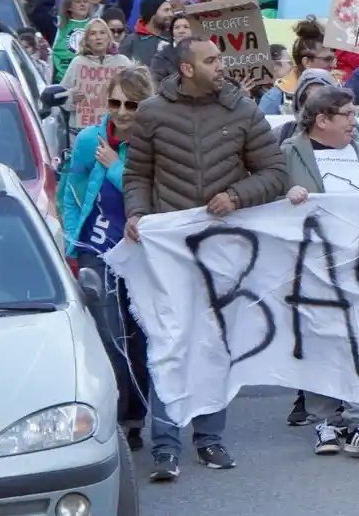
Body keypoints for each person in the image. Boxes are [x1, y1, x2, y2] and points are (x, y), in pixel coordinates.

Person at [123, 36, 289, 480]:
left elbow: (275, 173)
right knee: (169, 340)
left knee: (215, 343)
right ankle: (165, 447)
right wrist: (137, 213)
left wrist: (237, 195)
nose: (222, 66)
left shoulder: (243, 111)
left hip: (224, 247)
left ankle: (210, 440)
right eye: (211, 59)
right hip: (169, 249)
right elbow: (137, 173)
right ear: (187, 69)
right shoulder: (152, 114)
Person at [281, 87, 359, 458]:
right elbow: (265, 197)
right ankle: (326, 421)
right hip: (314, 268)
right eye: (348, 115)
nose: (355, 121)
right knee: (322, 342)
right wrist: (286, 195)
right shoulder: (289, 154)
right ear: (322, 120)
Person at [60, 66, 156, 452]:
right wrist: (71, 242)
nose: (121, 111)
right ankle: (112, 421)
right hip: (95, 250)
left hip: (137, 253)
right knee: (108, 338)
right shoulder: (89, 139)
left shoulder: (153, 143)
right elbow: (71, 190)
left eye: (131, 104)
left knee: (137, 339)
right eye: (114, 102)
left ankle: (136, 418)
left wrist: (114, 166)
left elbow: (148, 192)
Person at [61, 18, 133, 133]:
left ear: (109, 37)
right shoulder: (77, 62)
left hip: (115, 129)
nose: (98, 37)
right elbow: (61, 96)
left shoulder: (123, 62)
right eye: (93, 34)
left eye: (102, 33)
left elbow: (137, 91)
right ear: (87, 40)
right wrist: (70, 98)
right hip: (81, 130)